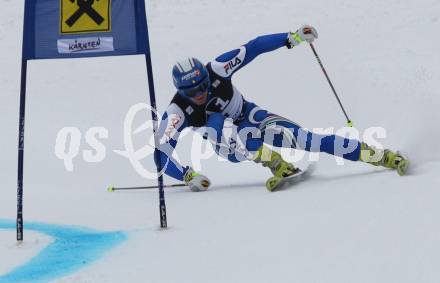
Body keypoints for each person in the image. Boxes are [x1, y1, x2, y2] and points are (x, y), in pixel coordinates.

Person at [155, 25, 409, 192]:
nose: (200, 94)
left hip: (250, 115)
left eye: (203, 86)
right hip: (226, 142)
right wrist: (187, 175)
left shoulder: (218, 69)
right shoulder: (177, 111)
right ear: (181, 91)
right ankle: (274, 162)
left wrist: (292, 38)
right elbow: (160, 153)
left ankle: (380, 156)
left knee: (308, 140)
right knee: (218, 126)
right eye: (192, 92)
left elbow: (253, 47)